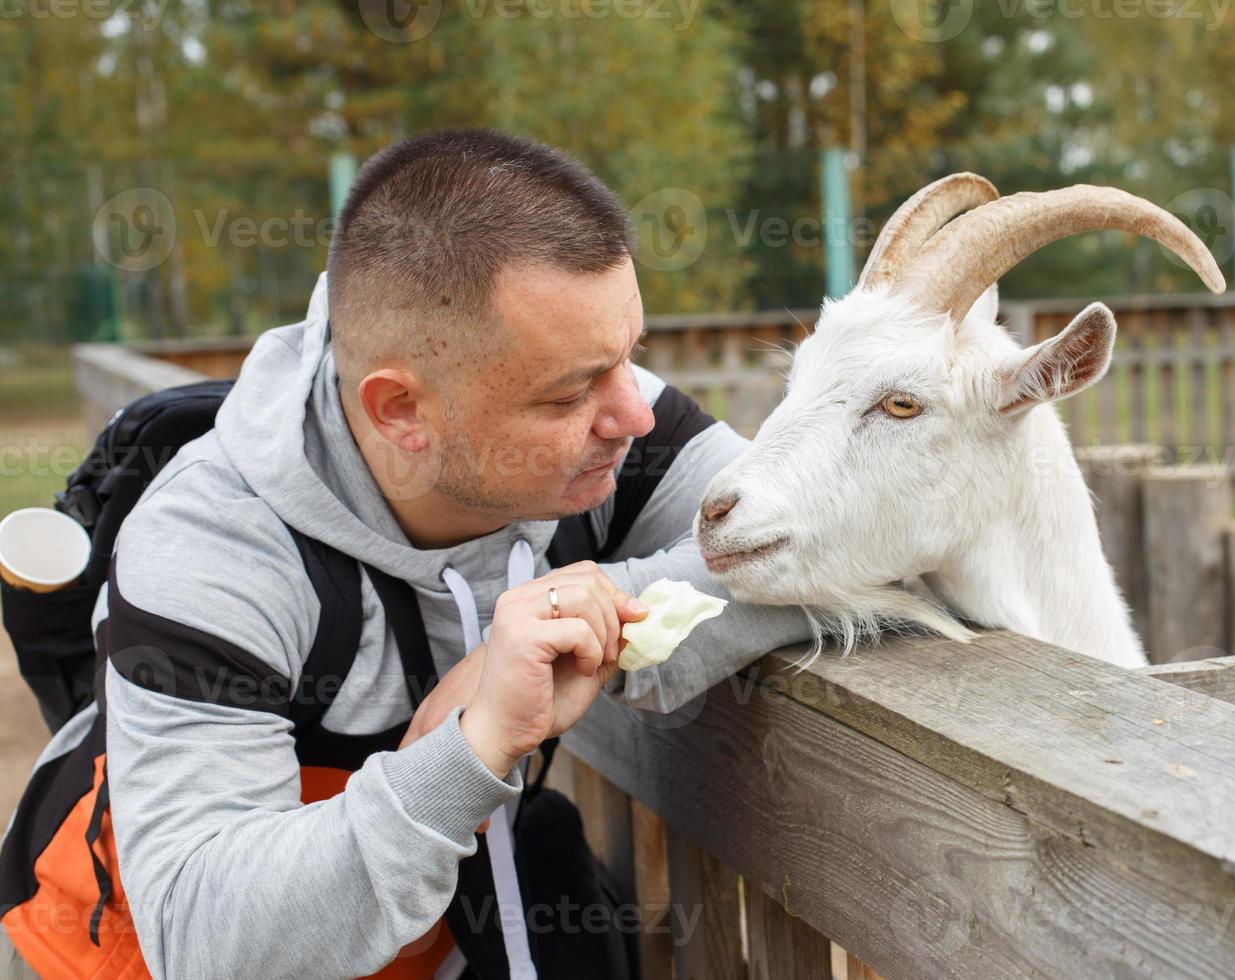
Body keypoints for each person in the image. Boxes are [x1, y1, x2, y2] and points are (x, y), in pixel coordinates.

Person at [0, 128, 811, 979]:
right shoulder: (212, 549)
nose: (635, 415)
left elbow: (834, 525)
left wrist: (602, 602)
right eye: (573, 390)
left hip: (415, 943)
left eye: (629, 357)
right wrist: (469, 748)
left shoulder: (605, 429)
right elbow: (208, 943)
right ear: (398, 413)